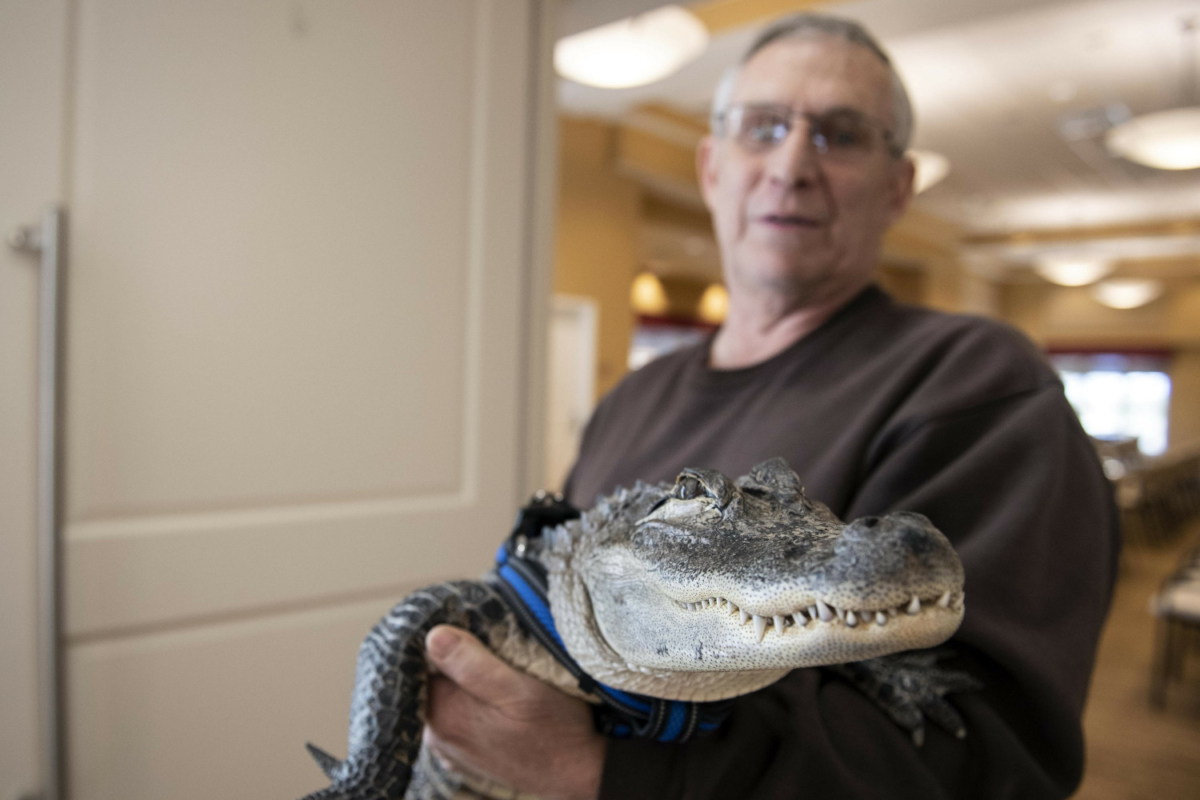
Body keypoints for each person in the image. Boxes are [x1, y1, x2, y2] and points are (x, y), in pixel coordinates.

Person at [423, 13, 1119, 799]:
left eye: (840, 134)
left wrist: (606, 772)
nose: (791, 164)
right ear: (713, 166)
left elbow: (991, 759)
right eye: (763, 128)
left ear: (899, 187)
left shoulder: (977, 382)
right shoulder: (633, 398)